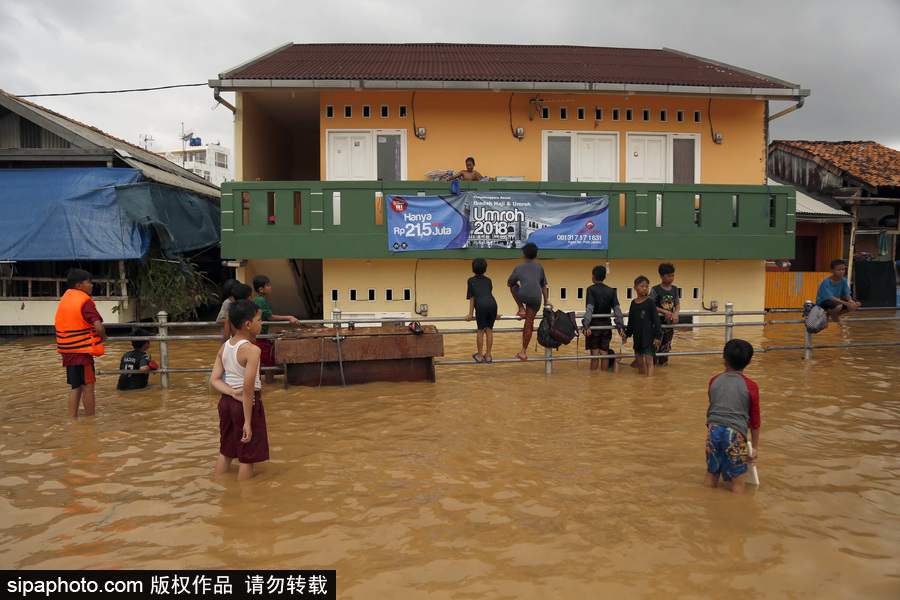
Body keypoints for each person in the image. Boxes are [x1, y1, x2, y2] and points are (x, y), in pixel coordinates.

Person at [210, 299, 269, 481]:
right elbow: (248, 388)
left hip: (226, 402)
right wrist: (248, 422)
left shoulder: (225, 346)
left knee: (226, 451)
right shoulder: (252, 350)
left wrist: (231, 392)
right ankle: (245, 494)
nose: (262, 323)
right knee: (247, 456)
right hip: (247, 404)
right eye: (259, 320)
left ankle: (220, 485)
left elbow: (214, 380)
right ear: (248, 325)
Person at [704, 339, 760, 494]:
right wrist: (754, 448)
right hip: (736, 434)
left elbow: (715, 406)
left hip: (713, 430)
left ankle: (706, 501)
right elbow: (755, 420)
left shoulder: (714, 381)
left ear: (724, 360)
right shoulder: (751, 386)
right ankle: (737, 507)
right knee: (738, 484)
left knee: (711, 476)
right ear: (748, 362)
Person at [55, 268, 107, 418]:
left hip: (67, 351)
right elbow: (98, 327)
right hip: (82, 352)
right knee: (88, 386)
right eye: (88, 282)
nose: (91, 285)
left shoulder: (65, 299)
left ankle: (73, 420)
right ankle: (90, 422)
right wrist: (103, 337)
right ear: (79, 285)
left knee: (75, 387)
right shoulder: (84, 301)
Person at [252, 275, 301, 383]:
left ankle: (265, 383)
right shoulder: (261, 300)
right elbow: (270, 317)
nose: (270, 287)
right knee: (270, 361)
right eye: (268, 285)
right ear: (261, 289)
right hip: (260, 334)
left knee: (263, 360)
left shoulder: (257, 299)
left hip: (260, 334)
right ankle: (269, 383)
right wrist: (289, 317)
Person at [507, 242, 551, 361]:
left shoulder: (518, 267)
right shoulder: (540, 267)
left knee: (513, 287)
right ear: (536, 255)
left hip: (523, 296)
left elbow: (509, 283)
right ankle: (523, 351)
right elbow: (543, 286)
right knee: (529, 322)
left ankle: (521, 309)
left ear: (523, 255)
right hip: (536, 298)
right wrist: (546, 301)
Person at [582, 265, 626, 372]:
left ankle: (593, 377)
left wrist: (586, 325)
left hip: (594, 326)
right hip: (606, 325)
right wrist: (620, 326)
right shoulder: (611, 291)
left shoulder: (591, 290)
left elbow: (589, 309)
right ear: (605, 277)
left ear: (593, 276)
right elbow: (617, 310)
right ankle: (604, 376)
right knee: (604, 353)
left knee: (595, 354)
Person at [624, 275, 662, 377]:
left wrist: (658, 336)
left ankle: (649, 382)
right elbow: (631, 321)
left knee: (649, 360)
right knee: (639, 361)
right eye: (642, 286)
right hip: (637, 337)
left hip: (648, 337)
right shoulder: (633, 303)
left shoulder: (650, 302)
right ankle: (641, 381)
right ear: (635, 288)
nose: (644, 288)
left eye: (646, 286)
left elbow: (656, 320)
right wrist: (626, 334)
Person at [465, 258, 499, 363]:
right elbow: (488, 295)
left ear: (472, 270)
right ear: (485, 270)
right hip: (493, 305)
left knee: (480, 331)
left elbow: (472, 298)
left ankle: (480, 355)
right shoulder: (488, 280)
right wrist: (495, 314)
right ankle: (488, 355)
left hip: (481, 306)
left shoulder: (471, 281)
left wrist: (470, 314)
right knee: (489, 330)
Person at [649, 262, 680, 366]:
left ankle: (662, 369)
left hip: (669, 325)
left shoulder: (674, 289)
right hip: (657, 325)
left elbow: (677, 304)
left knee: (666, 349)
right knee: (654, 349)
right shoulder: (655, 289)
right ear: (661, 276)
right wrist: (665, 312)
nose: (671, 278)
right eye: (668, 276)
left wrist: (676, 313)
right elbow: (650, 305)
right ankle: (653, 369)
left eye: (672, 275)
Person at [816, 259, 861, 323]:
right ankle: (827, 315)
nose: (842, 272)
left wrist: (850, 300)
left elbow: (847, 294)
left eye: (843, 269)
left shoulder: (843, 280)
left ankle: (836, 315)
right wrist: (846, 303)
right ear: (832, 271)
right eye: (839, 270)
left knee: (857, 304)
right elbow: (830, 298)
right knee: (839, 306)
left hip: (836, 302)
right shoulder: (826, 281)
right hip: (823, 302)